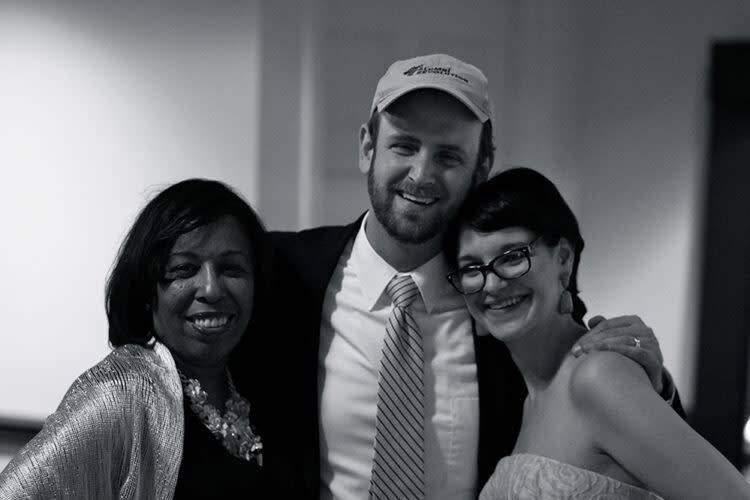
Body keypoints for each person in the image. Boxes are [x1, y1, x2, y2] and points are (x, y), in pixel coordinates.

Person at [268, 53, 684, 499]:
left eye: (448, 155)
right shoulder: (285, 273)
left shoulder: (507, 300)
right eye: (404, 146)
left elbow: (615, 435)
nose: (421, 174)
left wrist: (654, 384)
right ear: (367, 147)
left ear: (482, 166)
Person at [447, 167, 750, 499]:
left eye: (512, 256)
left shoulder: (597, 376)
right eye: (472, 268)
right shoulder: (526, 400)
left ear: (563, 258)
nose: (492, 283)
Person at [0, 179, 301, 499]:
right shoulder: (124, 392)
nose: (212, 289)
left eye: (231, 269)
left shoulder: (263, 389)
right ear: (146, 290)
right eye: (184, 269)